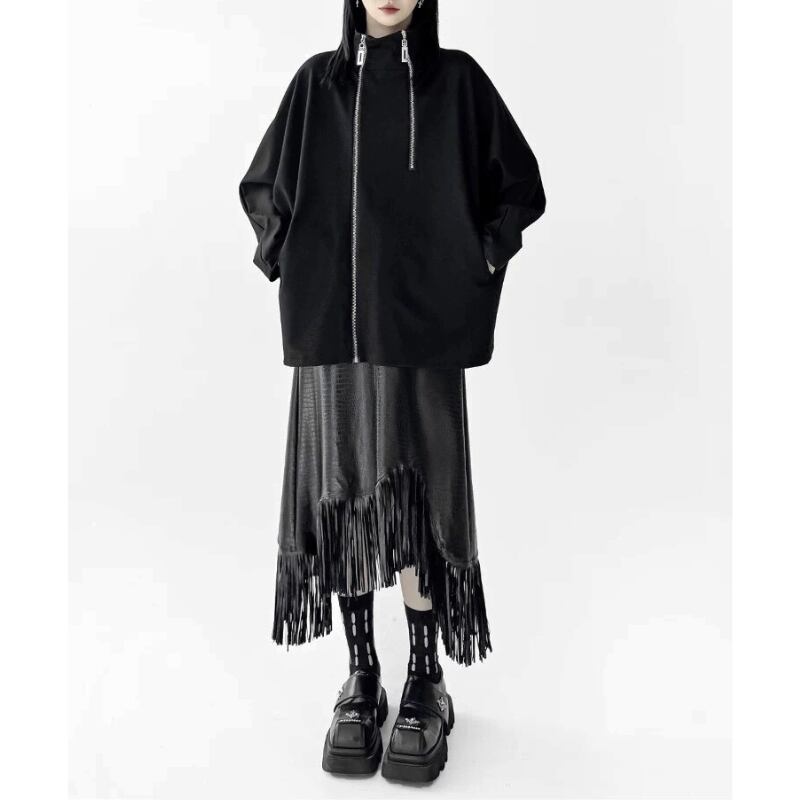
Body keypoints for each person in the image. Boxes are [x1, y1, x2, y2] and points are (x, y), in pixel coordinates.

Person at [239, 0, 545, 783]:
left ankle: (425, 680)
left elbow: (519, 185)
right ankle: (362, 675)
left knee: (417, 503)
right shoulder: (317, 87)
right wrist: (285, 254)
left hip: (420, 342)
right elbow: (264, 185)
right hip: (332, 347)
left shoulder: (456, 85)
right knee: (344, 501)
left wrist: (476, 257)